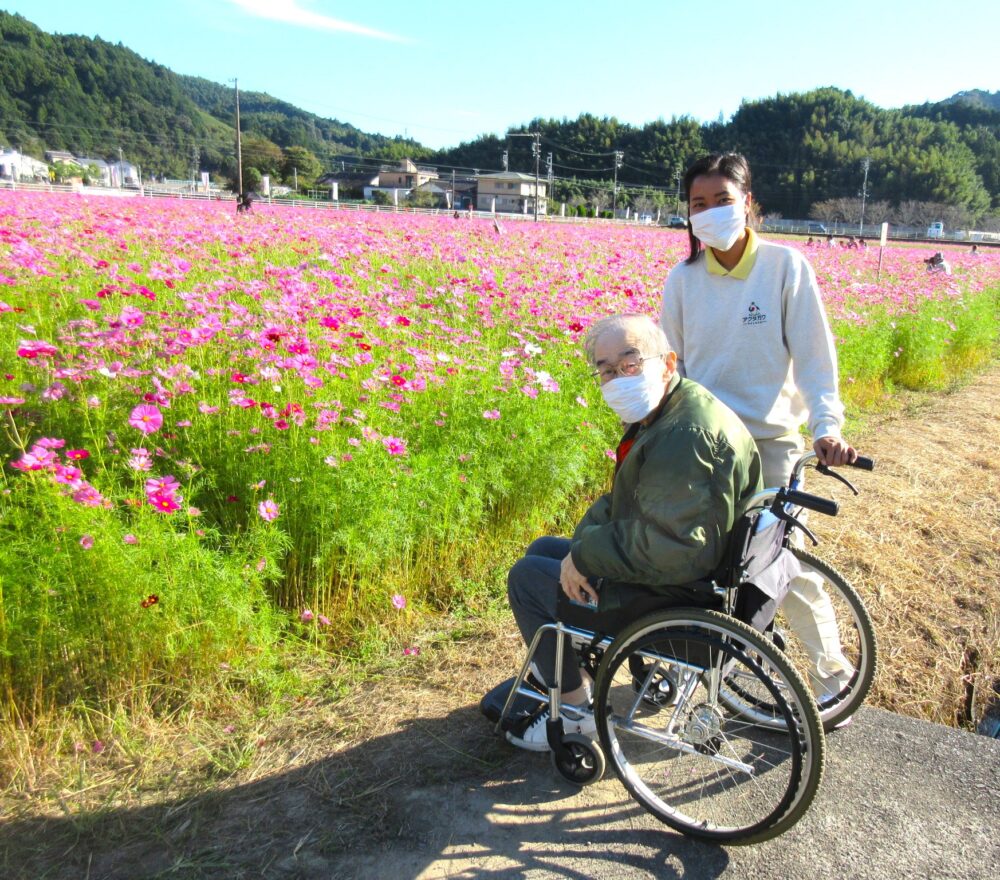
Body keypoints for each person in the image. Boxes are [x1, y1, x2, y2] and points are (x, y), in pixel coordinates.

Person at [505, 313, 762, 751]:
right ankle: (572, 665)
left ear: (667, 362)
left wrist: (584, 556)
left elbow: (672, 547)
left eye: (629, 363)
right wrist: (579, 547)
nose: (616, 377)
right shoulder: (676, 404)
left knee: (527, 578)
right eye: (605, 370)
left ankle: (575, 713)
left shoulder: (685, 435)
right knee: (546, 549)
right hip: (693, 562)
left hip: (679, 587)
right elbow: (627, 501)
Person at [660, 152, 858, 703]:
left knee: (779, 566)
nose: (711, 212)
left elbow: (817, 361)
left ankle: (831, 680)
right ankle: (691, 669)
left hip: (770, 445)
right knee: (693, 564)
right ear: (690, 217)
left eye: (723, 200)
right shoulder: (684, 279)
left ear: (749, 204)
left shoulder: (784, 268)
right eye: (699, 204)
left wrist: (826, 426)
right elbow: (669, 368)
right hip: (702, 446)